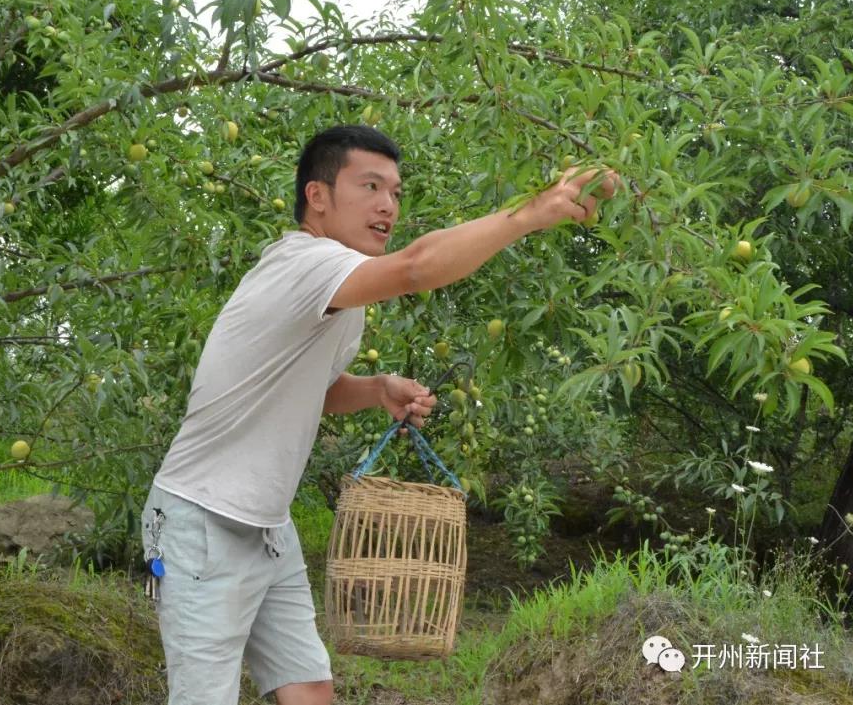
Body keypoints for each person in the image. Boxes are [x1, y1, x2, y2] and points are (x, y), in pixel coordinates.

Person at [142, 124, 619, 705]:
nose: (388, 205)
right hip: (202, 523)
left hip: (267, 527)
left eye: (395, 191)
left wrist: (374, 389)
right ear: (317, 196)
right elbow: (417, 266)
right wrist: (527, 215)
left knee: (311, 691)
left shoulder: (339, 288)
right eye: (370, 186)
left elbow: (304, 386)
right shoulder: (306, 264)